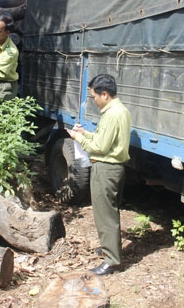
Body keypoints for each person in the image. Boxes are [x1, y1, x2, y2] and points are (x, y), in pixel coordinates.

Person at [67, 74, 132, 276]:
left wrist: (78, 138)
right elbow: (106, 139)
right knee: (109, 212)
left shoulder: (112, 114)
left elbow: (101, 147)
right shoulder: (120, 110)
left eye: (94, 96)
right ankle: (109, 248)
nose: (93, 100)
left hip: (106, 168)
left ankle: (112, 261)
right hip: (114, 167)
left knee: (105, 215)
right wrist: (86, 133)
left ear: (105, 94)